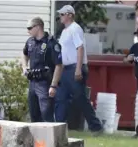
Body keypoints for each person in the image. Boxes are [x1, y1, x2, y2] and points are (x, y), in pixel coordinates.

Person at [55, 5, 103, 134]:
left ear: (70, 15)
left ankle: (96, 126)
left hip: (75, 67)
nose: (60, 17)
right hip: (65, 69)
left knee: (80, 98)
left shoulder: (75, 29)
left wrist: (78, 69)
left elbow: (80, 48)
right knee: (61, 98)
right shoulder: (65, 31)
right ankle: (58, 127)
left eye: (62, 14)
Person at [22, 17, 63, 122]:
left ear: (38, 27)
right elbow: (24, 54)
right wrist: (24, 67)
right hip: (33, 83)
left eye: (30, 28)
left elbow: (59, 65)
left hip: (45, 84)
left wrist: (53, 85)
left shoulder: (51, 43)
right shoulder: (30, 42)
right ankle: (37, 139)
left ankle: (51, 138)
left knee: (46, 116)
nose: (28, 31)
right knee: (34, 115)